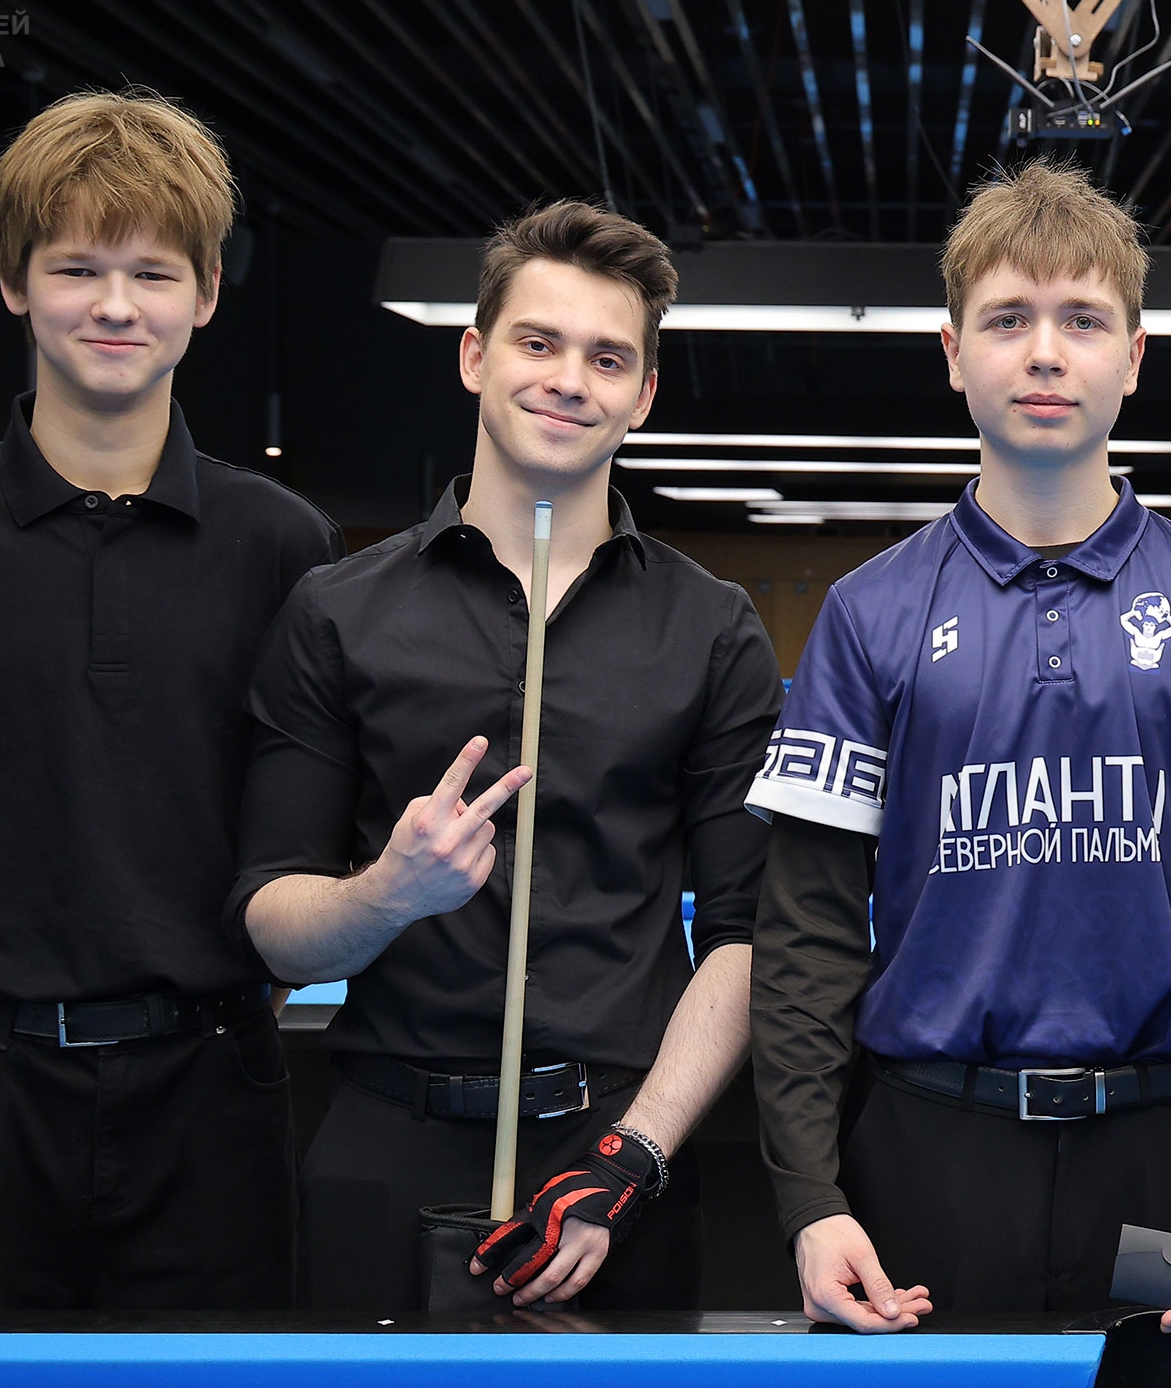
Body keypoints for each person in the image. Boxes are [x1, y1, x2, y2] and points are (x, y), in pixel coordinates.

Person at [748, 161, 1171, 1335]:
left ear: (1135, 356)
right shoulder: (867, 612)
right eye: (1008, 319)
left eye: (1083, 319)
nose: (1046, 353)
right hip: (928, 1157)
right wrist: (811, 1197)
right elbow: (807, 935)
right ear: (954, 353)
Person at [0, 88, 341, 1311]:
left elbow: (308, 836)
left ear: (205, 294)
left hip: (213, 1094)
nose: (114, 305)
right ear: (14, 284)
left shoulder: (285, 546)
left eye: (152, 273)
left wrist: (229, 999)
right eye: (77, 268)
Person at [234, 201, 783, 1315]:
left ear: (643, 394)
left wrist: (634, 1154)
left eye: (607, 358)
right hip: (384, 1142)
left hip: (613, 1157)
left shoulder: (712, 627)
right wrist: (389, 894)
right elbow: (270, 920)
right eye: (538, 342)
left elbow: (745, 935)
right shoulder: (337, 611)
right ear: (475, 357)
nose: (569, 380)